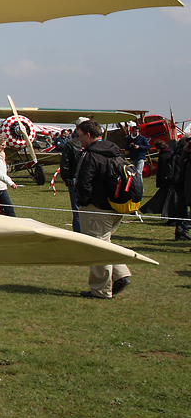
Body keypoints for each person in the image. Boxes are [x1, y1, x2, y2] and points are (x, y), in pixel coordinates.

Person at [75, 120, 131, 299]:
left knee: (97, 246)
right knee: (104, 241)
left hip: (97, 207)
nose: (79, 138)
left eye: (80, 135)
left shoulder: (90, 154)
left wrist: (82, 201)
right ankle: (121, 274)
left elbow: (84, 181)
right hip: (115, 206)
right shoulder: (114, 150)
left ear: (89, 135)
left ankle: (101, 290)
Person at [59, 118, 89, 232]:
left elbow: (65, 165)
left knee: (77, 211)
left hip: (75, 181)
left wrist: (67, 179)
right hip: (82, 181)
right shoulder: (72, 144)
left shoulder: (71, 144)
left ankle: (80, 235)